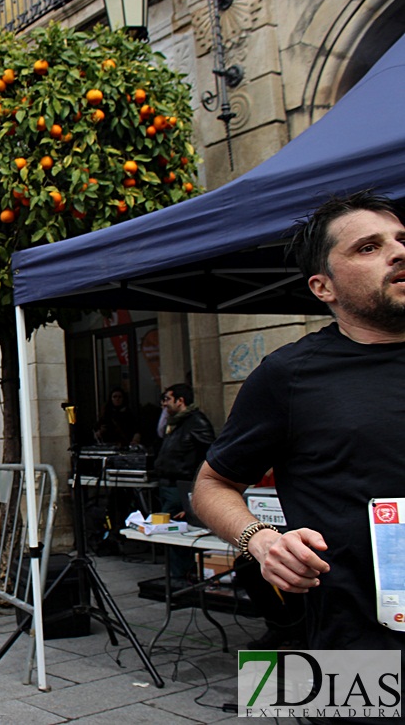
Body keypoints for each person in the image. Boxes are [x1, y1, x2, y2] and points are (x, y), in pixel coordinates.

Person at [194, 190, 405, 659]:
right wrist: (262, 541)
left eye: (401, 239)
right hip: (356, 659)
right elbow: (211, 485)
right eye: (368, 247)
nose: (398, 252)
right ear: (322, 287)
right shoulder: (288, 375)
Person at [152, 383, 214, 583]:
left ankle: (181, 575)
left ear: (181, 400)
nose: (165, 404)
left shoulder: (196, 422)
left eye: (168, 399)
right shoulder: (176, 422)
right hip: (168, 483)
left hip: (181, 484)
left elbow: (210, 454)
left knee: (176, 530)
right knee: (169, 529)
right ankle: (177, 572)